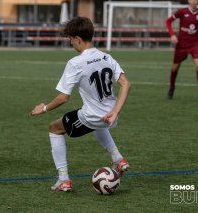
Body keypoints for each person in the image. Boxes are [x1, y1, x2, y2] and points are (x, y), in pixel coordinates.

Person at [31, 17, 131, 192]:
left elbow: (63, 98)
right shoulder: (106, 56)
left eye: (70, 39)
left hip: (92, 117)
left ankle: (63, 179)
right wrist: (115, 112)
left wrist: (44, 108)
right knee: (97, 121)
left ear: (77, 38)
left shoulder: (75, 63)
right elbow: (125, 83)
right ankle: (118, 159)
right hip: (111, 116)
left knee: (54, 128)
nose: (70, 43)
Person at [166, 0, 198, 101]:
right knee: (175, 68)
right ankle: (171, 87)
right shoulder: (181, 12)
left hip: (194, 44)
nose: (193, 1)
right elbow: (168, 21)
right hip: (181, 44)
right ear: (188, 0)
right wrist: (172, 35)